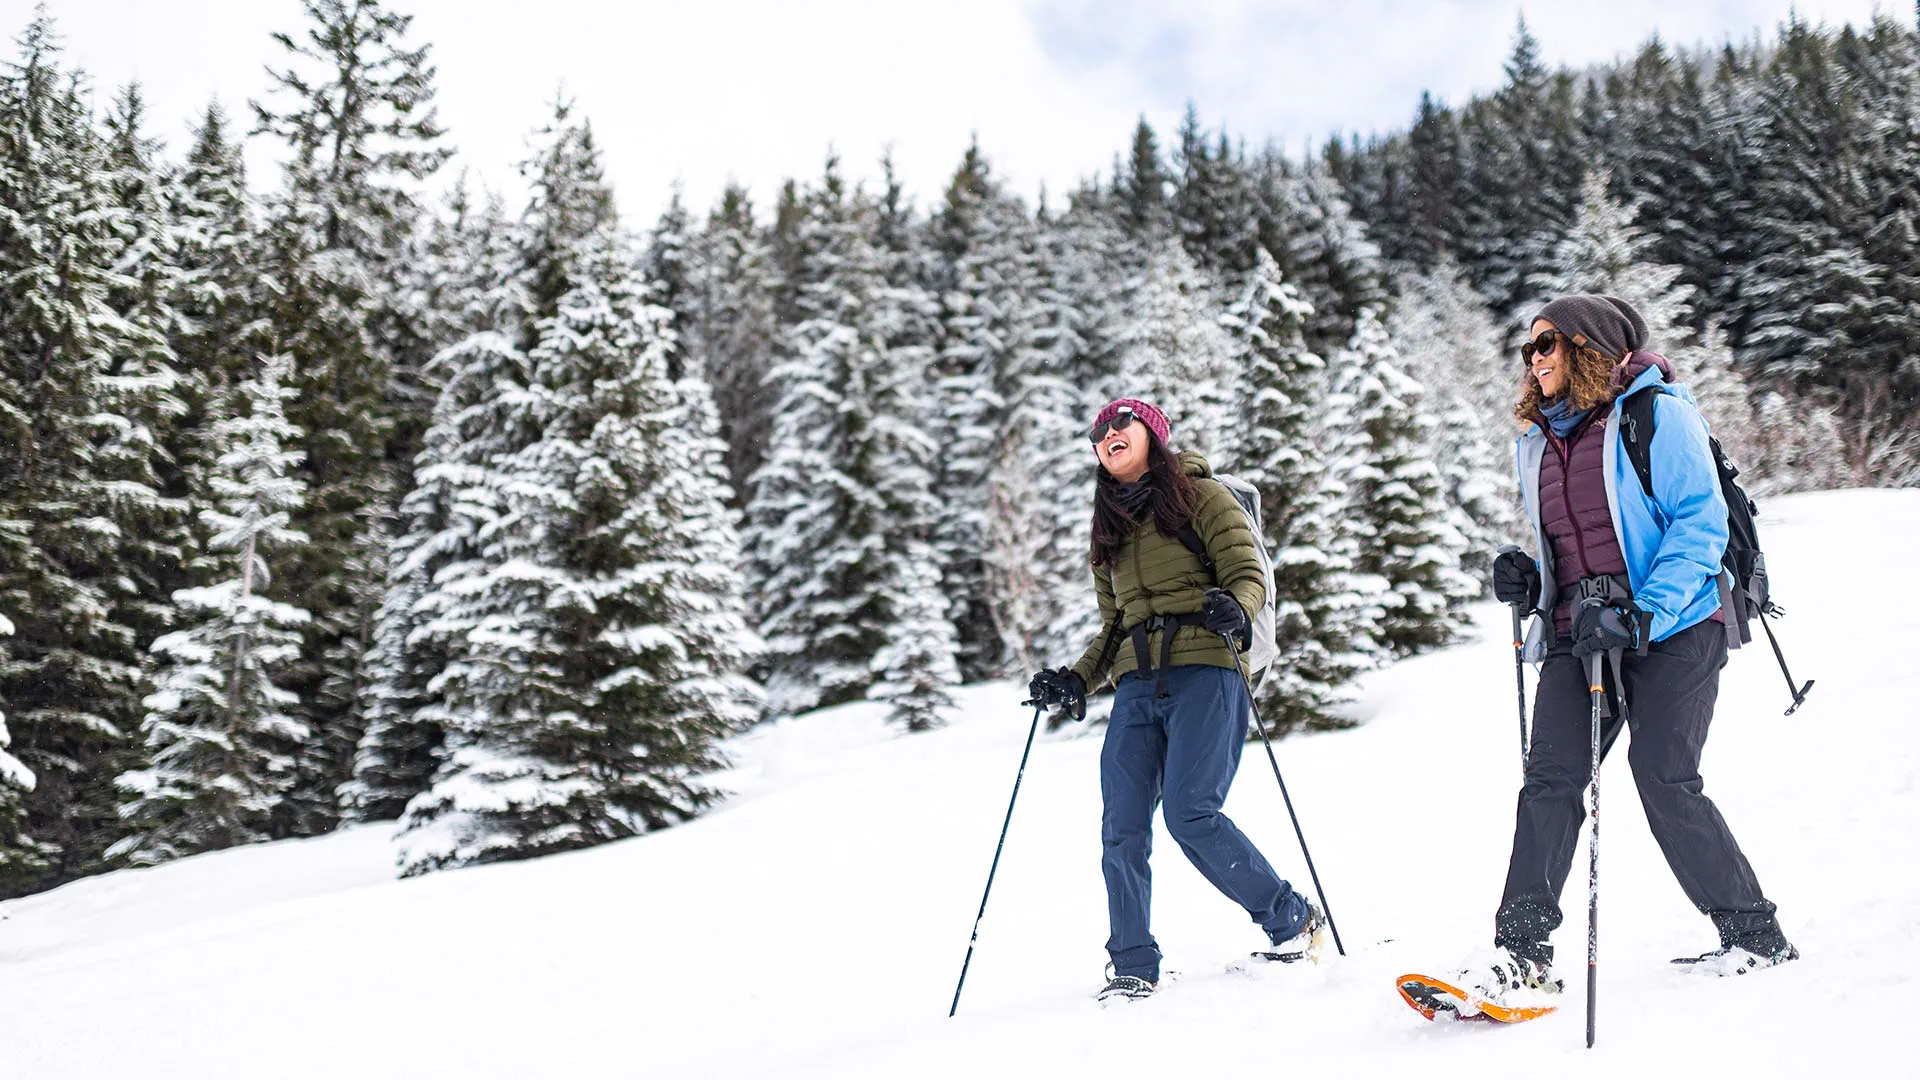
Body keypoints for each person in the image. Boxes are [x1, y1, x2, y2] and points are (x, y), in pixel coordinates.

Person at [1462, 295, 1796, 1003]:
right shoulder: (1538, 440)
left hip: (1675, 625)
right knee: (1549, 781)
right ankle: (1521, 952)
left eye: (1547, 343)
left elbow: (1699, 525)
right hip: (1578, 634)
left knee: (1663, 774)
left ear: (1589, 349)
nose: (1535, 358)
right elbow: (1576, 539)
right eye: (1529, 349)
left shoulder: (1654, 414)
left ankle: (1753, 934)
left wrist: (1643, 614)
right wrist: (1532, 575)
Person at [1028, 398, 1324, 1003]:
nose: (1107, 435)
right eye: (1097, 431)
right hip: (1138, 685)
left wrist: (1235, 608)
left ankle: (1290, 920)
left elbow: (1248, 572)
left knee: (1191, 812)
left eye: (1121, 424)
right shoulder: (1107, 527)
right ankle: (1133, 963)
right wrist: (1077, 680)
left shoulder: (1200, 496)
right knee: (1123, 825)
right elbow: (1113, 626)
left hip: (1208, 669)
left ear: (1152, 435)